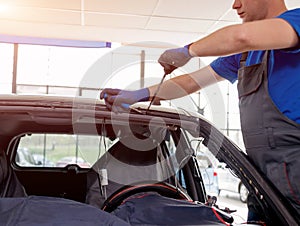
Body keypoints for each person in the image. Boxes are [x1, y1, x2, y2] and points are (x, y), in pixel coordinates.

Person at [100, 0, 300, 222]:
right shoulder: (246, 54)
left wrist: (188, 51)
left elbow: (241, 36)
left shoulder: (296, 22)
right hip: (261, 181)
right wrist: (139, 95)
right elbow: (191, 82)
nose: (235, 5)